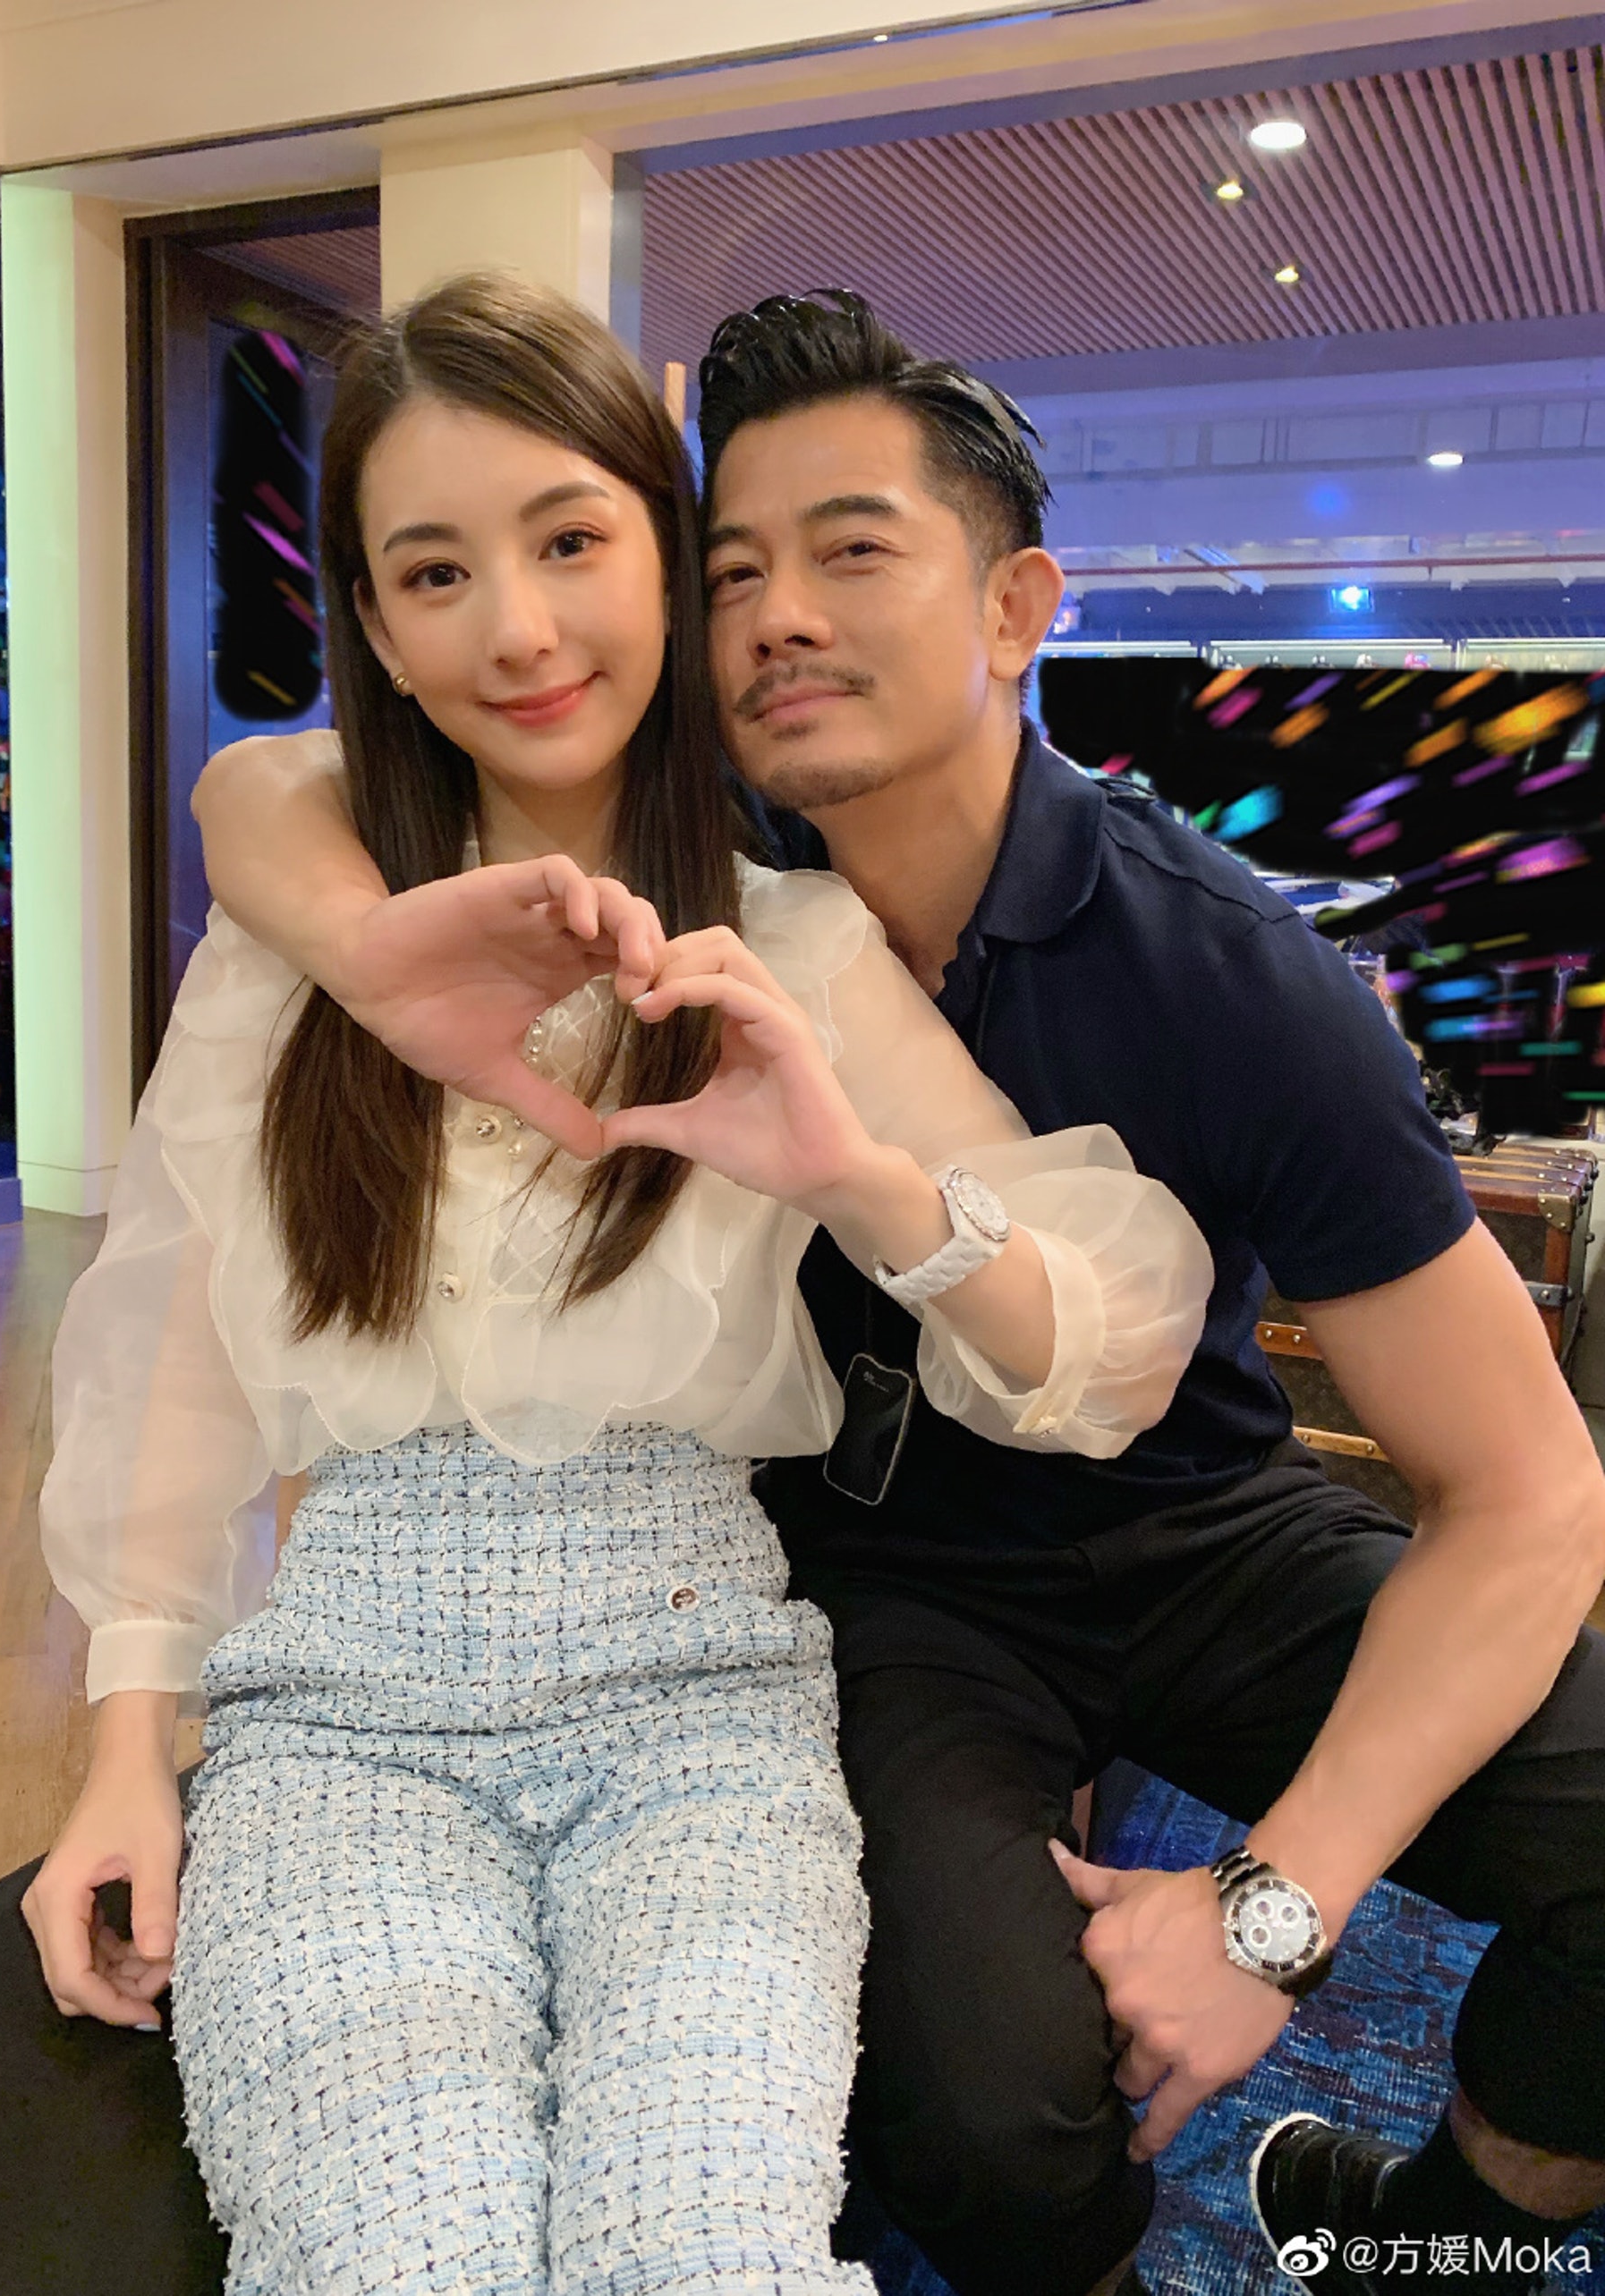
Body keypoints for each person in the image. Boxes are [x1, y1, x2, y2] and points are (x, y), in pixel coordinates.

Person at [194, 287, 1605, 2296]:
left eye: (851, 552)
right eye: (732, 571)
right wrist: (357, 945)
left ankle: (1428, 2235)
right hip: (882, 1584)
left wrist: (1274, 1908)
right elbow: (267, 790)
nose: (779, 617)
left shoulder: (1232, 977)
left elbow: (1533, 1492)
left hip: (1197, 1521)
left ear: (1016, 606)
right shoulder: (694, 856)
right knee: (987, 2112)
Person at [21, 274, 1210, 2296]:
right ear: (375, 627)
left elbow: (1117, 1329)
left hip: (704, 1716)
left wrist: (854, 1175)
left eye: (571, 540)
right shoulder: (308, 940)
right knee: (402, 2257)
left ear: (666, 553)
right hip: (343, 1722)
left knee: (708, 2250)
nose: (517, 628)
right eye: (435, 572)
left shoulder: (790, 946)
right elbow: (177, 1368)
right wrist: (128, 1747)